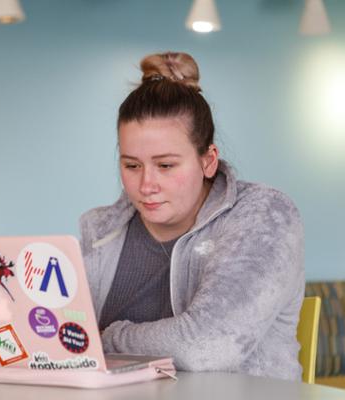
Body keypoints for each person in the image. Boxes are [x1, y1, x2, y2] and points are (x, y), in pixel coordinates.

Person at [79, 52, 305, 381]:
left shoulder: (264, 216)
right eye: (131, 165)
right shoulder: (100, 229)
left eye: (166, 165)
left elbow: (208, 345)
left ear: (208, 161)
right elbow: (67, 344)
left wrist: (108, 338)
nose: (146, 185)